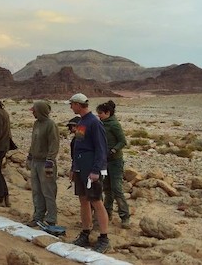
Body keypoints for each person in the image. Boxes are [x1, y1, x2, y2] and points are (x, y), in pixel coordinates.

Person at [67, 93, 111, 253]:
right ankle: (85, 233)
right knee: (83, 200)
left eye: (72, 104)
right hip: (80, 168)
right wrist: (74, 167)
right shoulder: (82, 122)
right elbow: (77, 146)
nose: (70, 107)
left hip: (91, 169)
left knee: (96, 201)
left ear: (79, 105)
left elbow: (101, 148)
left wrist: (95, 170)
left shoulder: (94, 123)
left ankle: (104, 238)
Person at [96, 100, 131, 229]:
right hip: (105, 162)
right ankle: (107, 213)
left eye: (100, 113)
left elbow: (123, 141)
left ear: (107, 113)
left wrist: (113, 150)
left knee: (117, 189)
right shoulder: (102, 124)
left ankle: (125, 216)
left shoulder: (114, 125)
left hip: (115, 162)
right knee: (107, 189)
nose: (98, 115)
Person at [26, 100, 60, 227]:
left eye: (34, 110)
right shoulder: (36, 124)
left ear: (40, 111)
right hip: (35, 161)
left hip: (46, 163)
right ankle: (38, 216)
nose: (33, 113)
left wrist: (50, 161)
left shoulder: (50, 125)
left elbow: (54, 144)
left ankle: (51, 218)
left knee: (48, 191)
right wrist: (29, 156)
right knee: (36, 191)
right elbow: (33, 142)